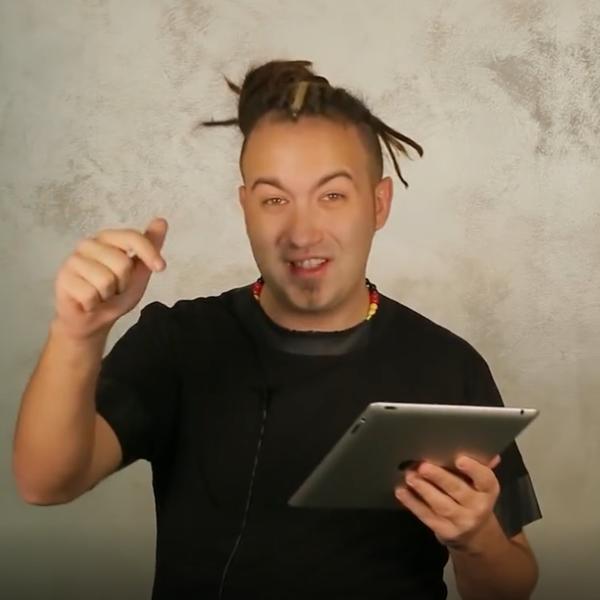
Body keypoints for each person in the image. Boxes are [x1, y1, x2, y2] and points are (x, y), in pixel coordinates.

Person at [13, 60, 541, 600]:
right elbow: (45, 482)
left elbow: (510, 587)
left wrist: (475, 538)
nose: (302, 232)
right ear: (245, 207)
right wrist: (78, 331)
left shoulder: (448, 366)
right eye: (274, 200)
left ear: (378, 203)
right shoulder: (178, 341)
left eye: (332, 196)